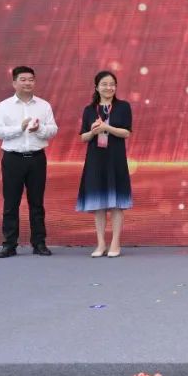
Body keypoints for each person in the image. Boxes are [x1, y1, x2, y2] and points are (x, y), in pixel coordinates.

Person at [0, 66, 58, 258]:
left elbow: (53, 129)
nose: (28, 83)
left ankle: (39, 243)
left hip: (37, 158)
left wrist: (39, 129)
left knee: (37, 203)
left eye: (31, 79)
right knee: (11, 203)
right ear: (14, 83)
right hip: (13, 158)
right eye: (23, 79)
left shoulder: (43, 106)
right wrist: (19, 128)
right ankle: (9, 244)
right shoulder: (3, 106)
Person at [77, 70, 133, 258]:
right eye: (104, 84)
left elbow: (126, 133)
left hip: (116, 159)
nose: (109, 88)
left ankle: (115, 242)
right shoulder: (89, 110)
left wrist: (107, 127)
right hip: (95, 159)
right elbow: (83, 137)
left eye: (112, 84)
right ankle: (100, 243)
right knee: (98, 204)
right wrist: (93, 132)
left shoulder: (123, 107)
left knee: (117, 204)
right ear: (96, 87)